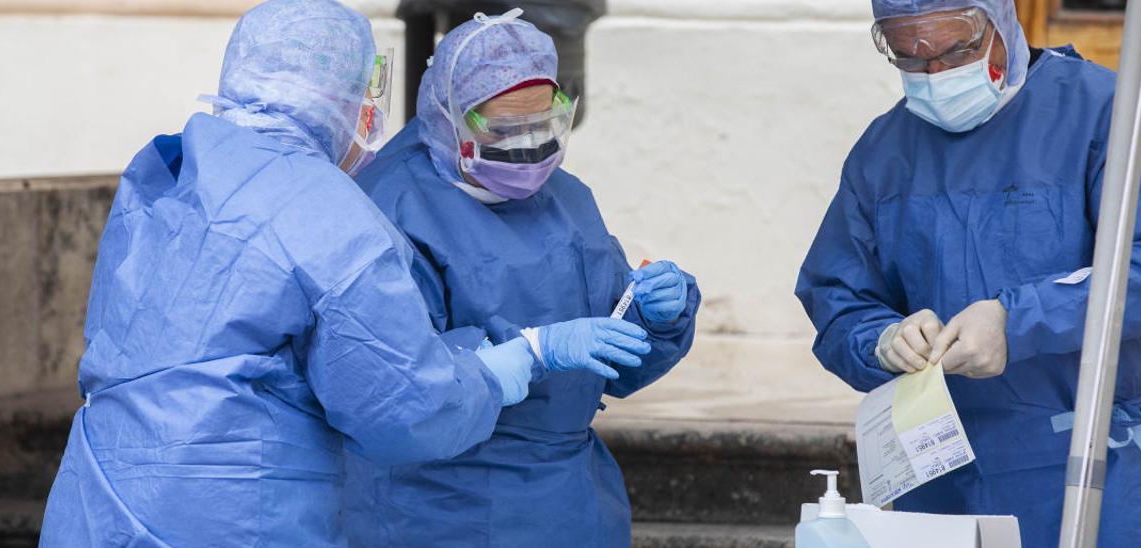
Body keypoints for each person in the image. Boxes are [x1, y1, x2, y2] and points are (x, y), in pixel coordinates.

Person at [34, 1, 621, 545]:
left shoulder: (169, 169)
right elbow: (407, 413)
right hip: (235, 513)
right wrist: (514, 361)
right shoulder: (331, 213)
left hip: (99, 496)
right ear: (339, 95)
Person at [795, 1, 1141, 546]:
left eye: (955, 49)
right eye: (911, 57)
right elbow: (838, 296)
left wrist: (1017, 320)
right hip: (942, 477)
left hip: (1090, 462)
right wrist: (883, 339)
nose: (936, 74)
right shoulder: (884, 153)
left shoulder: (1102, 113)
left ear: (1003, 19)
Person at [342, 9, 700, 547]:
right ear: (448, 117)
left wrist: (655, 318)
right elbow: (397, 383)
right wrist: (532, 352)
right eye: (507, 129)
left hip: (569, 498)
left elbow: (611, 363)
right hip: (439, 503)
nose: (529, 147)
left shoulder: (567, 201)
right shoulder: (391, 207)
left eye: (543, 124)